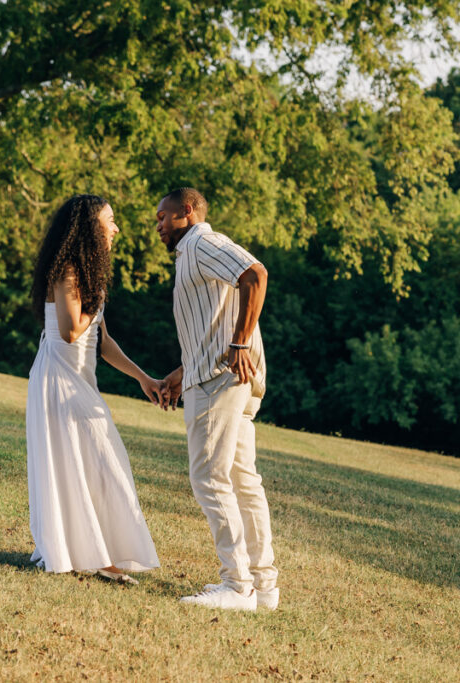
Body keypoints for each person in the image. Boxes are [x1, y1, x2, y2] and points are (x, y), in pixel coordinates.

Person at [26, 194, 161, 584]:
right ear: (90, 226)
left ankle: (99, 554)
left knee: (98, 462)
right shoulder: (67, 270)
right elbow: (70, 333)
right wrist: (96, 301)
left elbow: (101, 341)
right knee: (93, 460)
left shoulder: (86, 273)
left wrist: (142, 378)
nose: (116, 228)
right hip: (59, 379)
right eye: (110, 220)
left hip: (80, 379)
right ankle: (97, 557)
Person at [156, 187, 279, 611]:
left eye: (162, 217)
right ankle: (263, 587)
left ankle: (237, 585)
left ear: (186, 212)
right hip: (217, 377)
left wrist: (241, 342)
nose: (157, 227)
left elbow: (256, 275)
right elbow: (209, 329)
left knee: (208, 478)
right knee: (243, 481)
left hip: (220, 382)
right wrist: (179, 375)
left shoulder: (202, 242)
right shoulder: (192, 254)